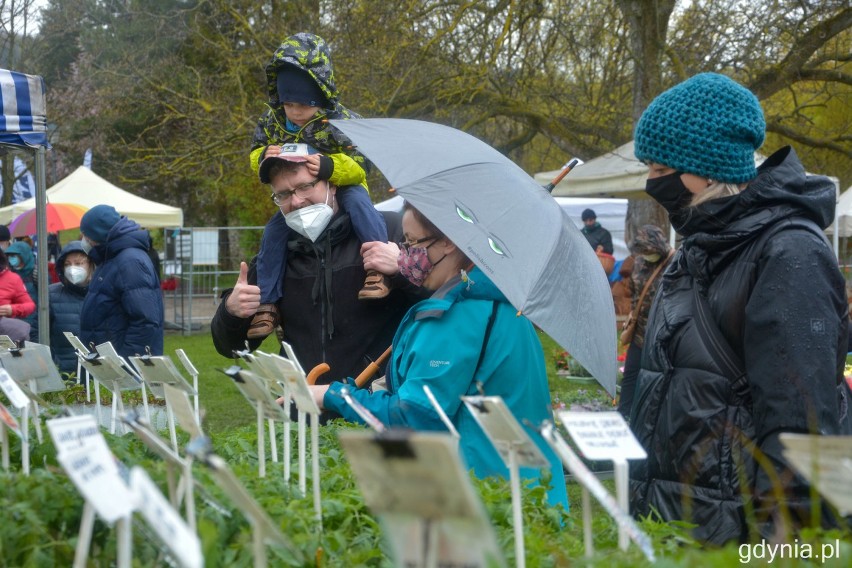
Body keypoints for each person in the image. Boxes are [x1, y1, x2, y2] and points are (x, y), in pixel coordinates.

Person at [628, 72, 852, 545]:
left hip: (739, 536)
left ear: (708, 169)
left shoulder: (790, 253)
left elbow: (801, 426)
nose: (651, 181)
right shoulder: (698, 248)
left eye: (660, 166)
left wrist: (786, 547)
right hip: (677, 528)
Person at [307, 202, 570, 511]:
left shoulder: (454, 316)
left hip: (484, 497)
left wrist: (331, 395)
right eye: (404, 244)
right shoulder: (505, 304)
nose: (406, 254)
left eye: (414, 242)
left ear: (449, 242)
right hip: (534, 494)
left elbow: (414, 416)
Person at [211, 152, 422, 388]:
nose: (297, 201)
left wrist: (402, 269)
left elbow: (437, 302)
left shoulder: (392, 231)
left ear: (332, 184)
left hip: (376, 402)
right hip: (303, 411)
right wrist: (231, 312)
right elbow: (232, 349)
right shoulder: (274, 256)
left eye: (305, 186)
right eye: (283, 194)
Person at [248, 32, 390, 339]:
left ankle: (377, 270)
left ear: (321, 97)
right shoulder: (271, 123)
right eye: (289, 104)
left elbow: (362, 163)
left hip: (345, 184)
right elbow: (253, 154)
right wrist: (263, 156)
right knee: (273, 232)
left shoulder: (341, 123)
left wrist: (329, 167)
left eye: (304, 104)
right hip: (297, 195)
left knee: (361, 208)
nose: (296, 112)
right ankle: (268, 303)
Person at [79, 205, 164, 357]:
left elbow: (145, 320)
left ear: (97, 234)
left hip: (122, 366)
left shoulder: (129, 262)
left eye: (85, 235)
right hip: (108, 361)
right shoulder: (112, 258)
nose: (83, 240)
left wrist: (126, 363)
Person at [616, 225, 672, 418]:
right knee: (631, 375)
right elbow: (633, 289)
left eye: (648, 250)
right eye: (642, 251)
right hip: (639, 332)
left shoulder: (674, 262)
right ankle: (623, 416)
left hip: (662, 335)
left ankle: (652, 418)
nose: (645, 254)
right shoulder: (639, 262)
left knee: (657, 378)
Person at [46, 241, 93, 375]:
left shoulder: (103, 293)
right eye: (67, 264)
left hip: (98, 375)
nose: (72, 268)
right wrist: (53, 365)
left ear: (90, 265)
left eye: (78, 263)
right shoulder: (51, 294)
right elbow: (38, 334)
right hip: (63, 374)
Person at [5, 240, 38, 340]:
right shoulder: (8, 274)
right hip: (14, 323)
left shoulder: (36, 274)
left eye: (15, 255)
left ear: (24, 255)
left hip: (34, 323)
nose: (12, 259)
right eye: (9, 256)